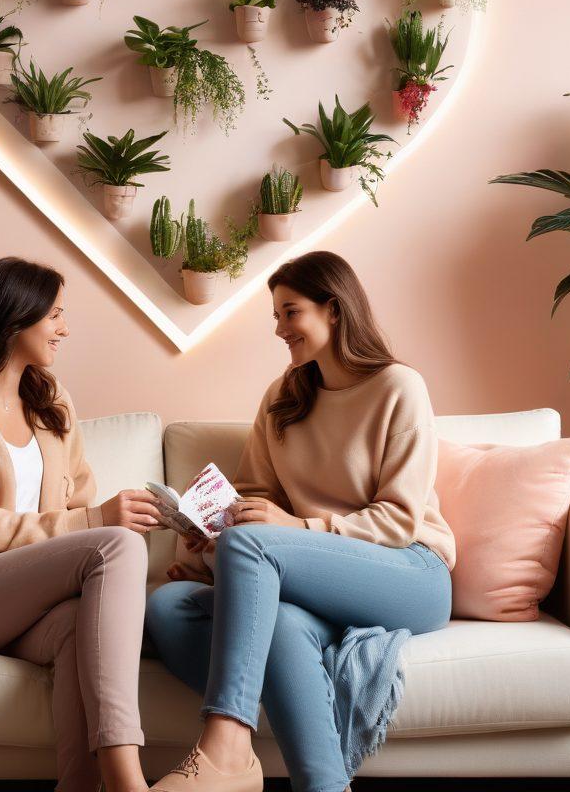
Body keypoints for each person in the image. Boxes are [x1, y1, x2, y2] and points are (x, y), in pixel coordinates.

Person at [145, 250, 456, 792]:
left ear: (333, 310)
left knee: (252, 548)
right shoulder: (282, 398)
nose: (279, 329)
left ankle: (226, 745)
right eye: (276, 316)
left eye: (291, 313)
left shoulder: (399, 388)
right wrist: (209, 536)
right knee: (171, 607)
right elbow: (255, 497)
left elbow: (401, 519)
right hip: (308, 584)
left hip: (408, 572)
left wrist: (294, 529)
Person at [0, 256, 163, 792]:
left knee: (80, 622)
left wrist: (119, 520)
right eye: (55, 315)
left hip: (22, 601)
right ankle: (127, 778)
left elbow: (80, 505)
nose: (65, 328)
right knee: (116, 545)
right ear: (15, 318)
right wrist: (100, 520)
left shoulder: (51, 401)